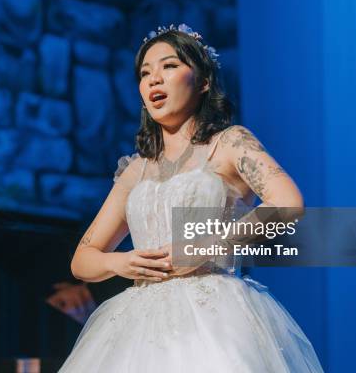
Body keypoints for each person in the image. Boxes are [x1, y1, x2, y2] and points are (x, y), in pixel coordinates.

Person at [58, 24, 323, 372]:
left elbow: (287, 204)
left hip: (215, 315)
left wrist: (203, 249)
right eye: (145, 73)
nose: (154, 79)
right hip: (136, 323)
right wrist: (120, 263)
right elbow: (82, 260)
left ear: (203, 81)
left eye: (169, 66)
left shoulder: (228, 143)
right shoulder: (136, 170)